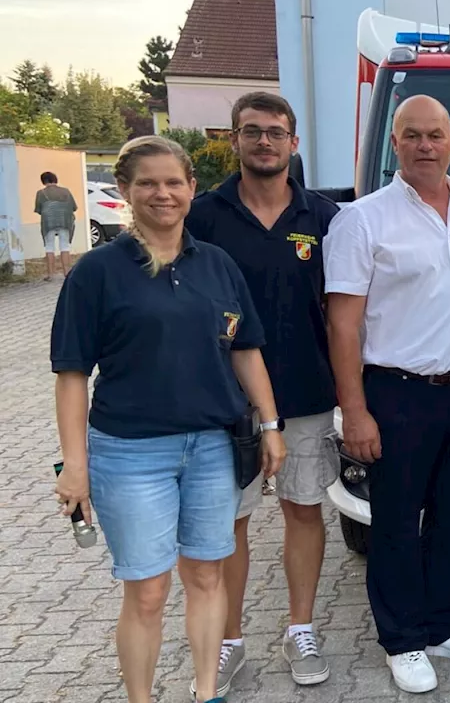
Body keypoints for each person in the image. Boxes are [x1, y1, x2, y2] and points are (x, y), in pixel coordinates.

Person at [49, 135, 287, 703]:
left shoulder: (217, 264)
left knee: (207, 577)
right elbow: (72, 373)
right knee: (148, 590)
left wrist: (272, 426)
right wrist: (74, 466)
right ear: (126, 192)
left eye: (173, 182)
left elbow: (245, 347)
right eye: (148, 183)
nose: (163, 193)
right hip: (130, 454)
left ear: (191, 189)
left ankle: (207, 692)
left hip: (211, 447)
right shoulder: (97, 272)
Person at [323, 95, 450, 693]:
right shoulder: (363, 220)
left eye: (435, 134)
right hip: (396, 394)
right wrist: (354, 410)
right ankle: (401, 639)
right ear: (394, 145)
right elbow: (343, 324)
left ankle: (442, 625)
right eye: (412, 135)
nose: (425, 145)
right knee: (397, 521)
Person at [185, 91, 341, 696]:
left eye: (276, 133)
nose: (265, 142)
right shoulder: (203, 216)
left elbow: (344, 311)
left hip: (305, 395)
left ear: (293, 143)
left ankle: (300, 628)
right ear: (235, 139)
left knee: (303, 509)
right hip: (223, 402)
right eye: (253, 132)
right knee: (231, 522)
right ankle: (229, 640)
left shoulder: (325, 219)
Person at [36, 171, 78, 280]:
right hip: (65, 221)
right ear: (55, 179)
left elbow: (38, 209)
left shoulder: (41, 193)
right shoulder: (66, 192)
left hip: (48, 222)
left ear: (43, 181)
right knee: (65, 246)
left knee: (49, 247)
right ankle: (67, 273)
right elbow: (74, 207)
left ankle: (50, 275)